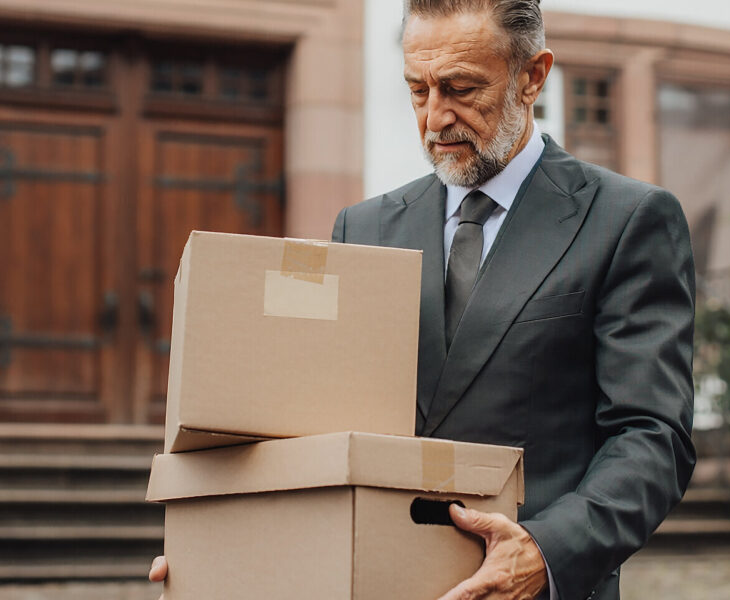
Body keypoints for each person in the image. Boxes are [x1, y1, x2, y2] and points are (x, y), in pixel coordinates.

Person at [151, 1, 696, 598]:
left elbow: (651, 436)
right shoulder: (363, 227)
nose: (435, 119)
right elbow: (306, 428)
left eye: (460, 88)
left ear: (532, 77)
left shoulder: (627, 220)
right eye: (417, 90)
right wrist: (221, 540)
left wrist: (544, 552)